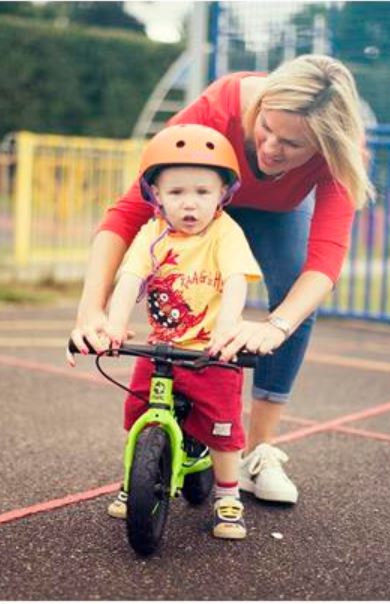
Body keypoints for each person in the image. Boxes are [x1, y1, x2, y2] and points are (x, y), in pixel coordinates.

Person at [68, 54, 373, 506]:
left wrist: (275, 326)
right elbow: (128, 212)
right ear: (261, 103)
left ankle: (259, 452)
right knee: (173, 270)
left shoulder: (340, 152)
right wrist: (91, 309)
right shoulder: (220, 107)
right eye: (266, 128)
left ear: (325, 145)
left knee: (293, 290)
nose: (270, 148)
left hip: (278, 211)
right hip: (205, 198)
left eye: (292, 144)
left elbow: (325, 260)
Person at [70, 123, 262, 539]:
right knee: (138, 413)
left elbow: (234, 282)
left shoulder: (225, 233)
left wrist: (227, 330)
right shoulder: (151, 233)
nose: (189, 204)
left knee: (224, 427)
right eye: (176, 193)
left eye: (202, 192)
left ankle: (228, 497)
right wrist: (115, 324)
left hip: (210, 353)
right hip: (161, 349)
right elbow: (132, 279)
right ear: (156, 195)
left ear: (223, 195)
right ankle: (131, 481)